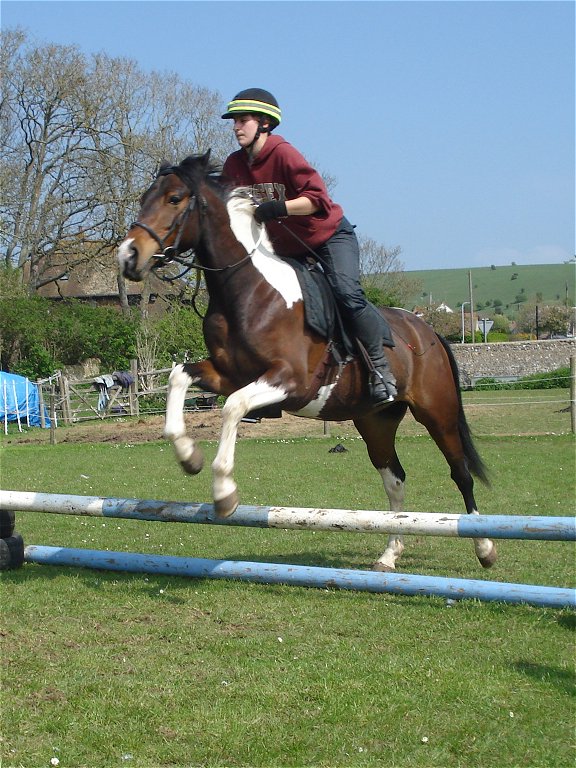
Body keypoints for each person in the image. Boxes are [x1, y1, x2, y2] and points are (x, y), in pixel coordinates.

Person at [221, 88, 397, 405]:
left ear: (264, 123)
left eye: (242, 120)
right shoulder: (234, 164)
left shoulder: (283, 153)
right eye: (234, 121)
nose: (236, 127)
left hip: (327, 236)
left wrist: (280, 207)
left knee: (346, 294)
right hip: (285, 248)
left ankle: (381, 370)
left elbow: (318, 200)